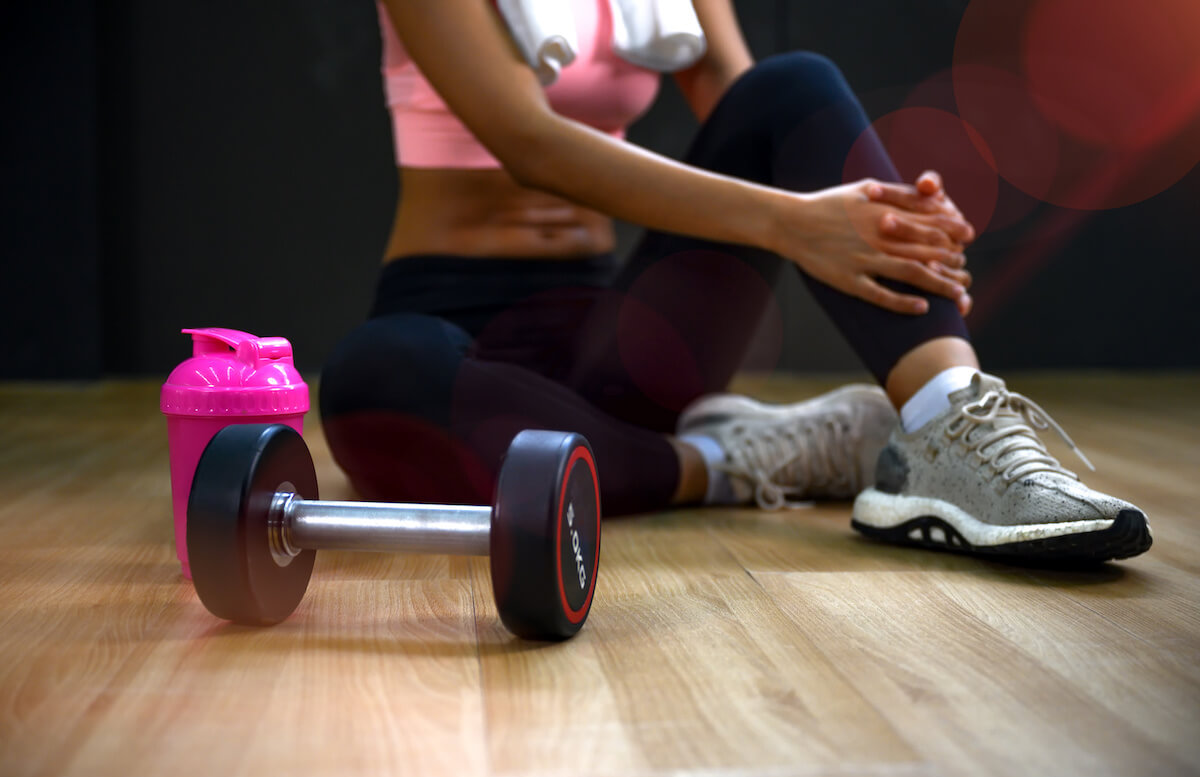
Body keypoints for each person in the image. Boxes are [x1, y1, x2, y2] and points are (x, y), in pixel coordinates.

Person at [320, 0, 1151, 562]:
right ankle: (727, 459)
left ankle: (957, 431)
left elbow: (763, 125)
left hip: (623, 343)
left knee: (795, 86)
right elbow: (529, 143)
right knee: (373, 377)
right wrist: (796, 223)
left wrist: (876, 221)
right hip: (449, 323)